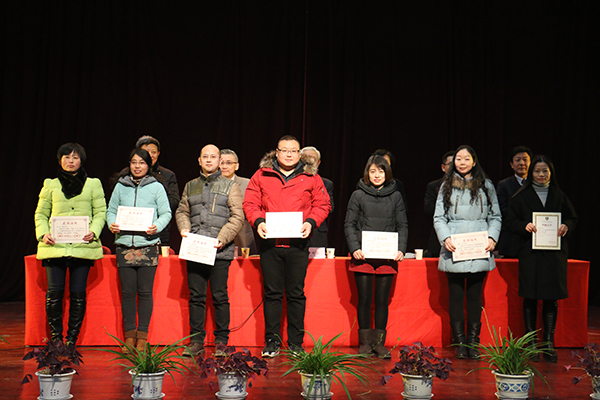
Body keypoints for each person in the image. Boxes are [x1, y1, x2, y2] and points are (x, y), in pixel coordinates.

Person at [243, 135, 331, 357]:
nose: (289, 155)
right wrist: (258, 221)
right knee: (272, 294)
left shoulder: (311, 177)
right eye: (284, 150)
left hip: (298, 244)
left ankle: (296, 343)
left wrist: (311, 222)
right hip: (270, 244)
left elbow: (323, 204)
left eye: (293, 151)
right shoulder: (261, 175)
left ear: (299, 153)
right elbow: (250, 203)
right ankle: (272, 341)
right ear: (277, 152)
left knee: (295, 294)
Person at [34, 143, 107, 350]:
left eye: (75, 157)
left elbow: (100, 212)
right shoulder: (51, 184)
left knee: (77, 293)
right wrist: (43, 233)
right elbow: (41, 213)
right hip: (55, 246)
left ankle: (71, 339)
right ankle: (56, 338)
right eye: (66, 157)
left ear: (81, 161)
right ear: (60, 161)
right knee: (54, 293)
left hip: (82, 246)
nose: (70, 161)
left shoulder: (93, 184)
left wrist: (94, 231)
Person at [505, 155, 577, 363]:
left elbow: (572, 218)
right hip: (530, 253)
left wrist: (566, 226)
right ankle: (531, 343)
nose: (541, 175)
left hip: (554, 254)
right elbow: (510, 221)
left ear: (551, 173)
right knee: (530, 296)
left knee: (550, 297)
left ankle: (548, 343)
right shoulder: (521, 196)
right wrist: (524, 226)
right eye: (537, 171)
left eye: (545, 171)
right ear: (531, 173)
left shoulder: (559, 195)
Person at [434, 145, 501, 359]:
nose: (462, 163)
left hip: (478, 246)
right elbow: (439, 217)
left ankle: (473, 342)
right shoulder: (446, 185)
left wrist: (492, 237)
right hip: (454, 247)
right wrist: (445, 238)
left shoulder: (486, 185)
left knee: (474, 296)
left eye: (466, 159)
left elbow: (495, 216)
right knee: (455, 297)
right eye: (458, 159)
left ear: (474, 161)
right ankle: (460, 343)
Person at [176, 145, 244, 357]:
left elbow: (237, 217)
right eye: (205, 156)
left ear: (219, 160)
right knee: (196, 296)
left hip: (219, 250)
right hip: (195, 248)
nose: (208, 160)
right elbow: (182, 211)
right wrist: (184, 228)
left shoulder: (230, 186)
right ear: (199, 160)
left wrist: (222, 238)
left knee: (219, 296)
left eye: (213, 157)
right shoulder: (190, 185)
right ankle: (196, 341)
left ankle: (221, 342)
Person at [107, 148, 172, 352]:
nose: (137, 166)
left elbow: (166, 213)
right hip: (124, 245)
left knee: (145, 292)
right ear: (129, 164)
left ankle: (142, 336)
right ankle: (129, 336)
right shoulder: (120, 186)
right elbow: (111, 211)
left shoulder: (157, 187)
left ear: (148, 165)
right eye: (134, 162)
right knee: (127, 293)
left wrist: (156, 227)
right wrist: (111, 224)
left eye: (142, 162)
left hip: (148, 245)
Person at [344, 155, 408, 358]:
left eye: (381, 171)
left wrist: (400, 248)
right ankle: (364, 343)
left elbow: (402, 225)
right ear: (367, 173)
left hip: (387, 257)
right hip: (363, 256)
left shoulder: (395, 196)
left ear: (387, 173)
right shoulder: (358, 195)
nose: (377, 175)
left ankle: (379, 344)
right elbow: (349, 224)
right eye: (373, 171)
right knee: (364, 299)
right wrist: (355, 247)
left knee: (382, 301)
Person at [219, 149, 258, 255]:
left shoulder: (247, 184)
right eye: (221, 163)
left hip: (242, 236)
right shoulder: (210, 184)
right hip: (217, 235)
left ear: (236, 166)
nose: (224, 166)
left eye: (229, 163)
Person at [496, 146, 532, 258]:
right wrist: (522, 223)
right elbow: (503, 210)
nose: (522, 163)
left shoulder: (537, 185)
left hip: (533, 238)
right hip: (511, 239)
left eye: (525, 160)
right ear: (511, 164)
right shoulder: (504, 185)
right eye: (518, 160)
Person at [301, 146, 334, 248]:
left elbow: (330, 207)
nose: (309, 162)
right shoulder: (292, 181)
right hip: (295, 229)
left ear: (318, 163)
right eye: (305, 158)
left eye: (313, 159)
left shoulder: (326, 183)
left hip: (317, 232)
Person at [423, 151, 454, 257]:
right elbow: (428, 208)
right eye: (450, 164)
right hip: (439, 234)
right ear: (443, 167)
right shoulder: (434, 186)